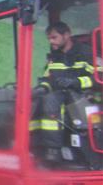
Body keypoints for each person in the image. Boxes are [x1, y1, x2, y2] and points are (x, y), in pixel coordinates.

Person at [31, 21, 96, 164]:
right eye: (49, 38)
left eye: (54, 37)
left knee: (51, 100)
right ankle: (33, 147)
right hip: (61, 94)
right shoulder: (54, 57)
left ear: (66, 35)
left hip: (84, 96)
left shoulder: (87, 53)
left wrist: (76, 82)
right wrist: (41, 88)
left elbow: (99, 78)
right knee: (34, 102)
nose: (51, 41)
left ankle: (53, 150)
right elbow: (49, 78)